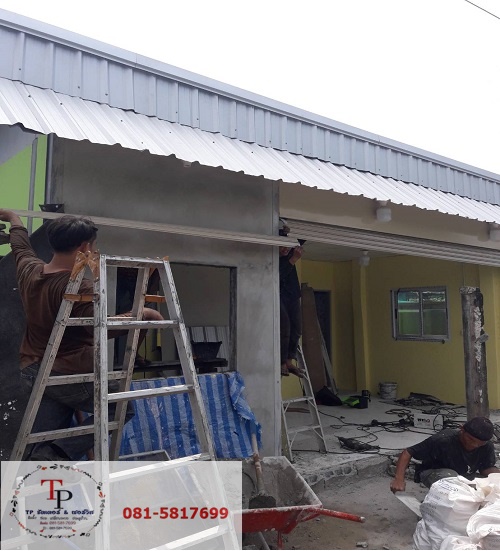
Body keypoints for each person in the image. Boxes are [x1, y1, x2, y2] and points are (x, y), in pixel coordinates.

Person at [0, 209, 164, 461]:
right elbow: (101, 327)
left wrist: (14, 218)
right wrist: (143, 314)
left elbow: (21, 247)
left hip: (32, 369)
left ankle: (40, 462)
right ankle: (52, 455)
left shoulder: (30, 271)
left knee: (46, 430)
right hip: (66, 374)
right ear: (85, 247)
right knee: (120, 407)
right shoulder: (79, 288)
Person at [390, 416, 500, 492]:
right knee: (453, 481)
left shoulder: (486, 446)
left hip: (463, 476)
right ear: (462, 429)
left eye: (480, 443)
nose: (474, 445)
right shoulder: (443, 439)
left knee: (488, 486)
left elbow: (485, 469)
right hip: (433, 472)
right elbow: (407, 452)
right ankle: (434, 505)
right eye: (471, 440)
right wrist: (399, 479)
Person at [279, 219, 305, 378]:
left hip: (293, 294)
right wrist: (292, 260)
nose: (284, 250)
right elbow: (278, 275)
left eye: (286, 248)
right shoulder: (270, 256)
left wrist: (291, 230)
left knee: (297, 328)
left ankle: (289, 360)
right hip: (279, 294)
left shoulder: (289, 247)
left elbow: (302, 237)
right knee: (285, 328)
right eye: (281, 247)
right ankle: (282, 361)